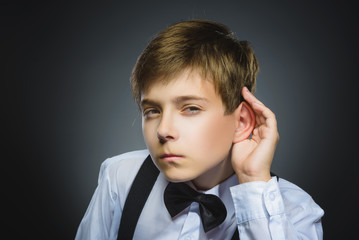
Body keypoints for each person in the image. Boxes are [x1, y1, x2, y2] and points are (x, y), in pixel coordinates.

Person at [75, 19, 324, 240]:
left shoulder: (295, 209)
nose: (163, 130)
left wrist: (253, 182)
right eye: (152, 110)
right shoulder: (120, 178)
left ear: (241, 122)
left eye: (191, 108)